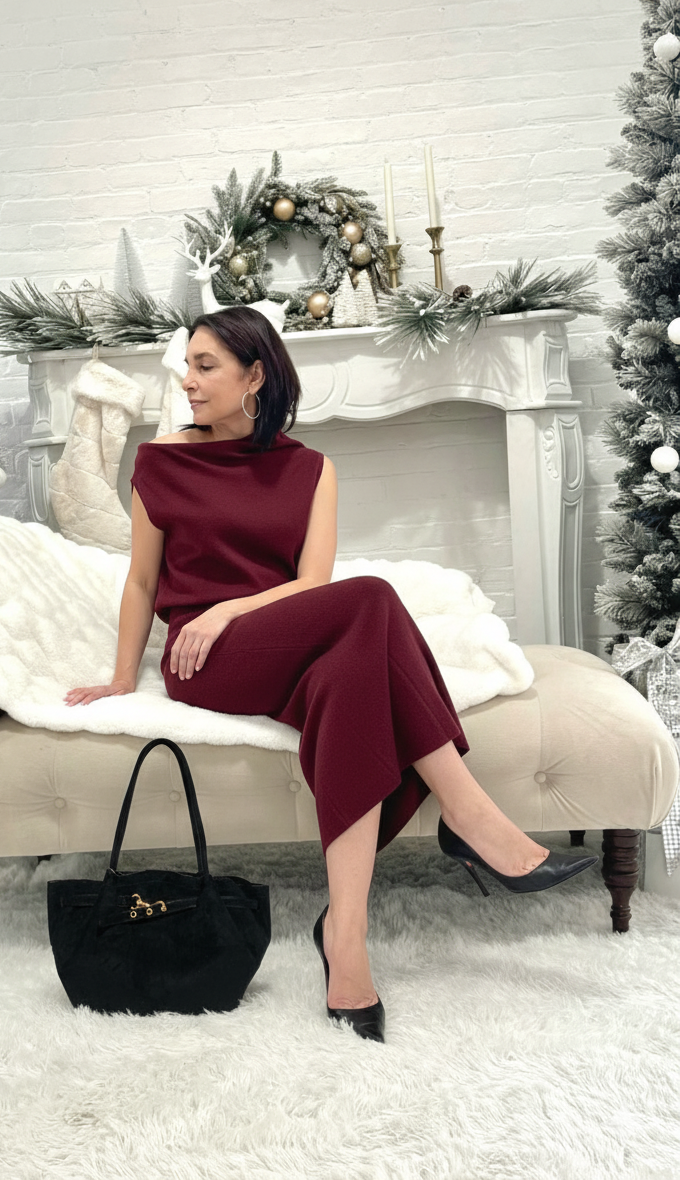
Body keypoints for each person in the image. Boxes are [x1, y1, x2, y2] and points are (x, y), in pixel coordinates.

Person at [64, 305, 597, 1044]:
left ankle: (345, 938)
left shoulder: (311, 469)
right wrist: (126, 676)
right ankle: (471, 817)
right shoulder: (160, 463)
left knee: (351, 683)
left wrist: (234, 606)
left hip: (289, 643)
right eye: (187, 365)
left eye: (205, 366)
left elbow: (311, 586)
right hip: (206, 660)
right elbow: (141, 582)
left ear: (255, 375)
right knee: (371, 597)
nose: (187, 380)